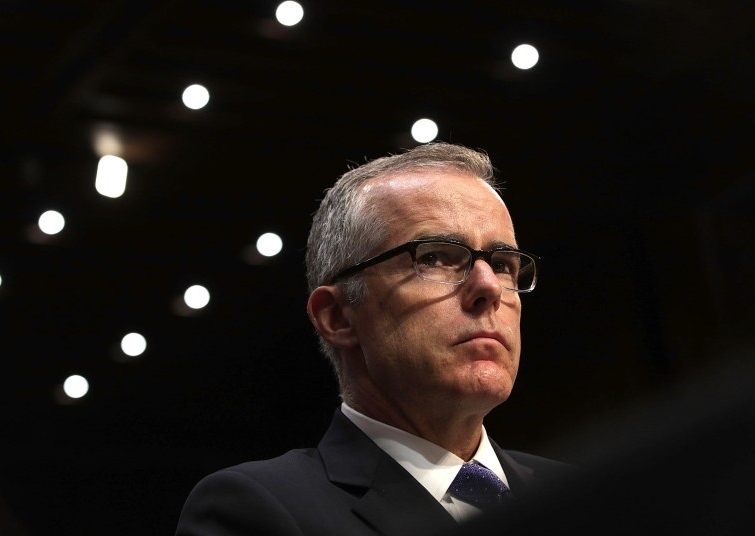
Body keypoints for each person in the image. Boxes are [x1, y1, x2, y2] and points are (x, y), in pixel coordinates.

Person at [176, 142, 570, 536]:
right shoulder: (258, 510)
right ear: (338, 317)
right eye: (433, 256)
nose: (489, 287)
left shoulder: (587, 494)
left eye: (502, 264)